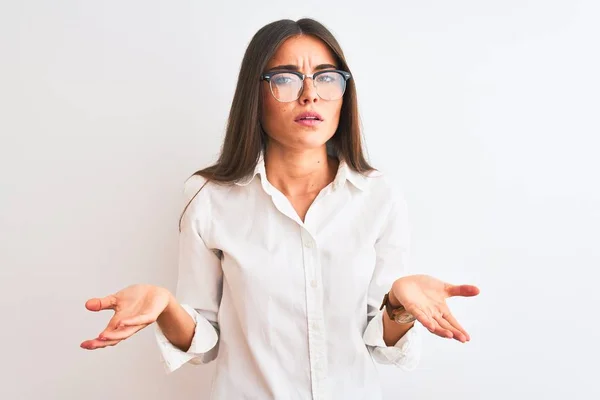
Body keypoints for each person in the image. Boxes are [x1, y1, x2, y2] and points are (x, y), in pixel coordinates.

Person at [80, 18, 480, 399]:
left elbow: (381, 345)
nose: (310, 94)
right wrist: (166, 305)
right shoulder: (208, 195)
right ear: (255, 94)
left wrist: (398, 302)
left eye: (326, 78)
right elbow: (203, 343)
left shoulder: (378, 196)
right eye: (286, 79)